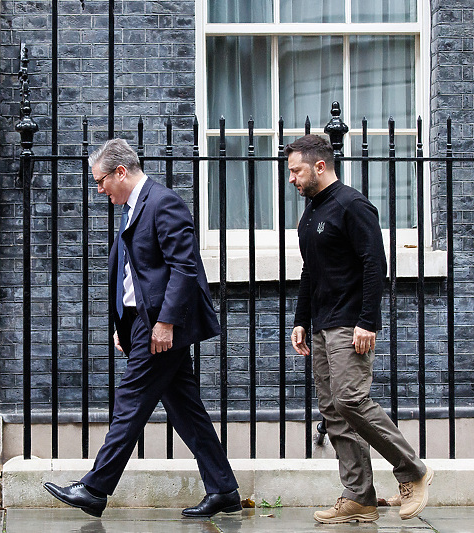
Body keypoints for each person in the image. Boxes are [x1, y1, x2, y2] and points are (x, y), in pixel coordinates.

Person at [43, 138, 241, 518]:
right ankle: (224, 490)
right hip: (141, 322)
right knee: (185, 409)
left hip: (161, 324)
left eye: (101, 181)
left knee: (130, 402)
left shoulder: (163, 202)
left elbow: (185, 268)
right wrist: (124, 322)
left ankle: (95, 488)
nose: (99, 189)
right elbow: (136, 273)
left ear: (121, 172)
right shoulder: (133, 207)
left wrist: (164, 322)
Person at [287, 134, 433, 524]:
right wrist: (301, 319)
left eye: (296, 171)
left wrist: (367, 321)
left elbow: (374, 265)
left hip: (350, 324)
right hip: (321, 323)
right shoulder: (312, 213)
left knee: (351, 400)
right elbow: (309, 270)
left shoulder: (352, 205)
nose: (291, 179)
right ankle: (359, 496)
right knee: (334, 411)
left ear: (320, 166)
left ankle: (413, 472)